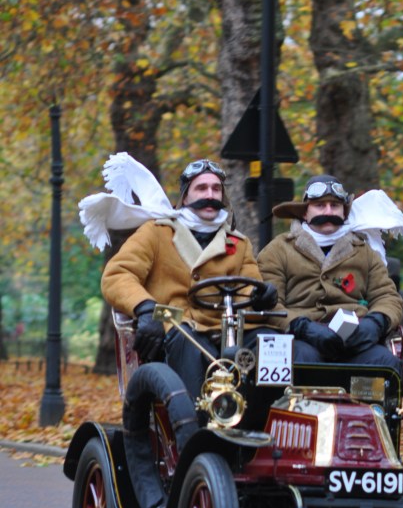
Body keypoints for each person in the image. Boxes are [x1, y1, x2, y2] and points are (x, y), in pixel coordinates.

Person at [82, 155, 277, 400]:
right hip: (174, 322)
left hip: (226, 327)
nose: (210, 194)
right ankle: (198, 424)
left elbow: (247, 287)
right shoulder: (157, 232)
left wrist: (260, 296)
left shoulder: (238, 243)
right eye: (202, 188)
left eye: (216, 189)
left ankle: (265, 421)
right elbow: (117, 275)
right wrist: (145, 308)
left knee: (272, 344)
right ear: (185, 196)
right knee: (194, 347)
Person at [257, 175, 403, 374]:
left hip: (354, 342)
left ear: (344, 212)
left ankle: (374, 408)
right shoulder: (277, 250)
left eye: (335, 205)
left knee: (385, 363)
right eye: (320, 205)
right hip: (300, 339)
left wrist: (375, 323)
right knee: (304, 360)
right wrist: (301, 327)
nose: (328, 211)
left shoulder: (365, 252)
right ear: (305, 212)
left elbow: (388, 297)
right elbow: (270, 304)